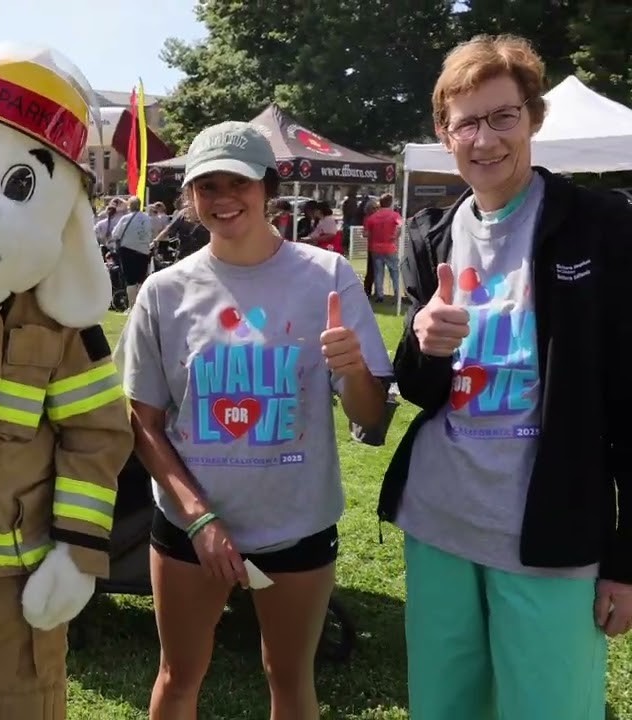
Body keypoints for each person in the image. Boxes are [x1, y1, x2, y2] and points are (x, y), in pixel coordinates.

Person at [380, 34, 632, 720]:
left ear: (534, 120)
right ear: (444, 132)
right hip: (438, 523)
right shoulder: (430, 234)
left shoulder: (600, 227)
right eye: (467, 122)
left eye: (502, 117)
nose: (484, 140)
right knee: (445, 707)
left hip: (554, 531)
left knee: (550, 709)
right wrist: (425, 346)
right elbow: (424, 391)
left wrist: (625, 561)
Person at [115, 121, 391, 720]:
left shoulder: (328, 277)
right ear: (189, 197)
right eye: (205, 186)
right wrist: (199, 519)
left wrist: (356, 373)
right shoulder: (163, 292)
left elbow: (372, 421)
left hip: (297, 524)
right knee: (178, 676)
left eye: (237, 182)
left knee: (289, 678)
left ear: (268, 187)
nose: (222, 198)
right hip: (191, 532)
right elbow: (145, 424)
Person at [363, 193, 401, 302]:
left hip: (375, 248)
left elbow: (365, 233)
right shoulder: (395, 215)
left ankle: (380, 295)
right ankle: (397, 294)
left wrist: (374, 233)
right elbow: (401, 225)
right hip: (389, 247)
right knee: (394, 272)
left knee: (378, 272)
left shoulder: (372, 217)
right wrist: (395, 236)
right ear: (391, 203)